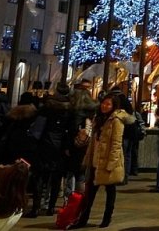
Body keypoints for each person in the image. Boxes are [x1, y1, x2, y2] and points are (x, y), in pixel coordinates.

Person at [74, 93, 134, 229]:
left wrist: (111, 163)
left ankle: (106, 218)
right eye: (104, 103)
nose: (105, 106)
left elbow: (116, 143)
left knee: (110, 191)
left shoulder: (116, 121)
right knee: (90, 193)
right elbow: (94, 142)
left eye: (108, 104)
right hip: (96, 160)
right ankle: (83, 219)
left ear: (114, 106)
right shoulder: (99, 118)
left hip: (108, 162)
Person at [25, 82, 73, 217]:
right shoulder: (69, 109)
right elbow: (72, 130)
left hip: (45, 144)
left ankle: (36, 208)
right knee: (56, 178)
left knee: (39, 176)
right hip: (60, 146)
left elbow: (37, 128)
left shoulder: (47, 106)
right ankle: (51, 207)